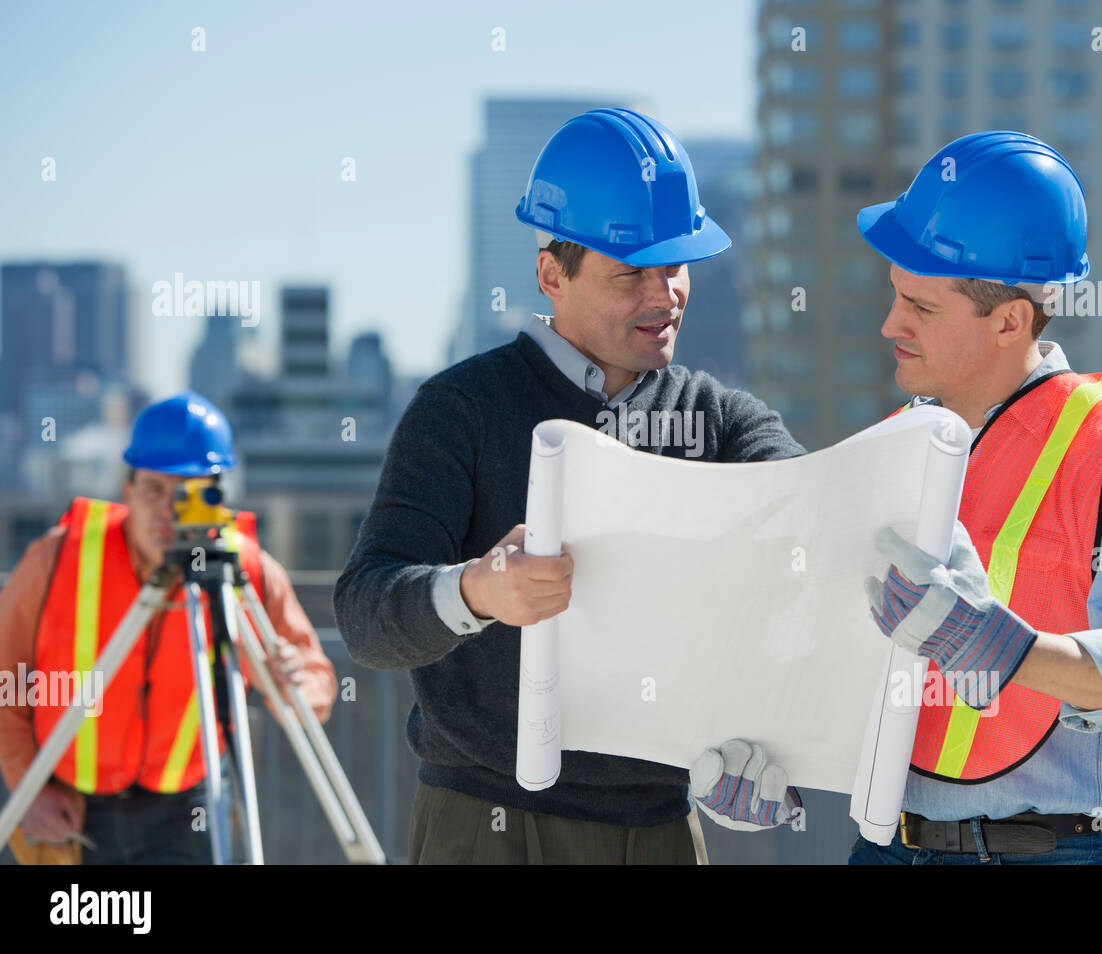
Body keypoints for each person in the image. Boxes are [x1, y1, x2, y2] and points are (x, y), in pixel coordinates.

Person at [334, 107, 805, 865]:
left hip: (661, 828)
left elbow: (812, 517)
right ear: (554, 275)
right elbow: (364, 615)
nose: (666, 295)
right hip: (485, 827)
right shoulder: (462, 410)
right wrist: (477, 593)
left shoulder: (720, 420)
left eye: (675, 267)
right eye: (632, 275)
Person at [845, 130, 1102, 864]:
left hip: (1056, 853)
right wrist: (772, 760)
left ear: (1010, 320)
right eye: (894, 296)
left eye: (921, 306)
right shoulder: (888, 448)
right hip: (890, 844)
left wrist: (1010, 650)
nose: (891, 325)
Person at [0, 390, 337, 864]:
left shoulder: (247, 573)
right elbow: (5, 679)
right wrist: (26, 787)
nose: (168, 511)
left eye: (189, 493)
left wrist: (295, 686)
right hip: (70, 802)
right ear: (128, 489)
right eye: (155, 490)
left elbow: (317, 680)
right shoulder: (58, 559)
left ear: (218, 494)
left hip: (189, 805)